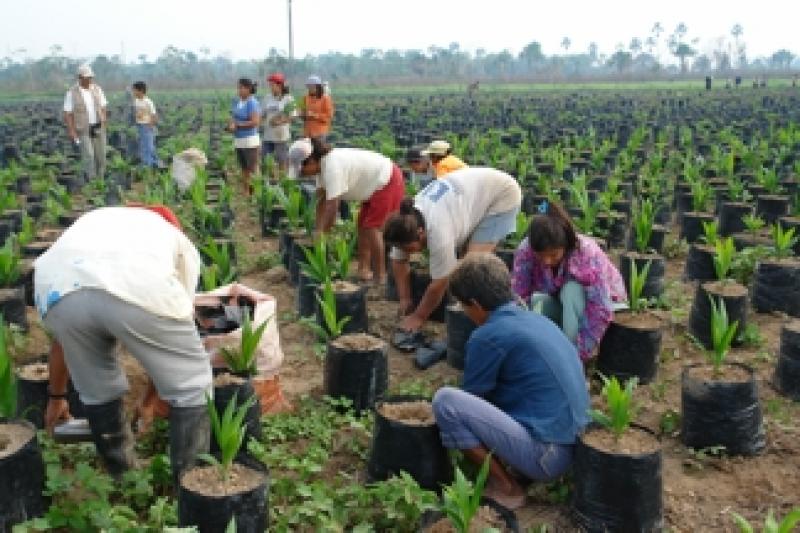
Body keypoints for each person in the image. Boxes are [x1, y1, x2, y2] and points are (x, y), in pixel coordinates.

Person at [36, 206, 211, 484]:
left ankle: (124, 479)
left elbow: (61, 342)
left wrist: (56, 397)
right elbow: (173, 322)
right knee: (191, 387)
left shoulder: (95, 222)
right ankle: (189, 487)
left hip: (57, 290)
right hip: (138, 284)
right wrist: (150, 401)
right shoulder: (175, 240)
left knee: (97, 391)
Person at [432, 253, 589, 510]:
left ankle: (507, 487)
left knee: (447, 402)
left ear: (476, 304)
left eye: (464, 306)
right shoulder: (539, 320)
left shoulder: (488, 336)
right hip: (577, 445)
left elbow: (471, 400)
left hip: (548, 456)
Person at [384, 167, 522, 332]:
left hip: (501, 195)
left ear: (421, 234)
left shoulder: (438, 231)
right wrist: (405, 299)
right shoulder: (407, 221)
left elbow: (441, 281)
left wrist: (418, 316)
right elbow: (398, 261)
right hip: (472, 197)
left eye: (408, 248)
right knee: (462, 266)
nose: (407, 253)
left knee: (471, 266)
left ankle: (502, 314)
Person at [511, 200, 627, 363]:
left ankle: (568, 356)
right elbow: (518, 296)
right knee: (535, 303)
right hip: (566, 305)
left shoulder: (586, 254)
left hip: (602, 307)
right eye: (541, 255)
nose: (547, 261)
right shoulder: (526, 251)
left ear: (565, 245)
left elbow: (601, 307)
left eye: (553, 255)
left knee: (571, 291)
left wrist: (578, 354)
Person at [287, 137, 404, 283]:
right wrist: (318, 230)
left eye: (303, 170)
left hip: (387, 180)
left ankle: (380, 277)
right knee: (362, 226)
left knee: (372, 228)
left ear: (311, 161)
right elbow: (321, 201)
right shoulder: (321, 168)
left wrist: (323, 235)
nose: (303, 174)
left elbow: (332, 208)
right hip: (371, 187)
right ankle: (363, 269)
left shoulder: (332, 167)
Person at [63, 64, 107, 180]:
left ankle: (100, 179)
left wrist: (103, 120)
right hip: (83, 128)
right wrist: (72, 131)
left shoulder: (97, 89)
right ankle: (91, 180)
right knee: (89, 155)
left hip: (97, 126)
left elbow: (103, 106)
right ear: (80, 78)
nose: (89, 80)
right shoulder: (72, 93)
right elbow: (68, 113)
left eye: (90, 78)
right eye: (87, 78)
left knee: (100, 156)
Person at [228, 78, 261, 194]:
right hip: (239, 140)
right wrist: (231, 124)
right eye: (238, 88)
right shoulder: (238, 102)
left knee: (251, 168)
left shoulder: (252, 102)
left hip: (250, 141)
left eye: (241, 88)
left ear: (248, 89)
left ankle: (254, 192)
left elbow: (255, 122)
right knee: (244, 167)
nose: (239, 90)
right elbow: (233, 116)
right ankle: (246, 190)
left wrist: (238, 125)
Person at [261, 72, 296, 177]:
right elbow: (262, 114)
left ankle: (282, 180)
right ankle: (270, 180)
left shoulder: (288, 99)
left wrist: (279, 122)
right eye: (270, 85)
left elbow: (292, 116)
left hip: (281, 135)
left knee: (282, 159)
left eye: (273, 85)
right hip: (268, 134)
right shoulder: (267, 98)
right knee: (265, 159)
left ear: (280, 85)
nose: (271, 87)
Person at [132, 81, 159, 168]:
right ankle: (146, 162)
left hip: (147, 125)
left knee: (149, 145)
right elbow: (136, 112)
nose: (133, 92)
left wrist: (150, 126)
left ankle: (150, 163)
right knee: (143, 145)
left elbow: (154, 115)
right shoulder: (136, 101)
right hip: (140, 125)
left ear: (141, 91)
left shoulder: (148, 101)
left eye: (135, 90)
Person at [301, 75, 334, 141]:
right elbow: (300, 110)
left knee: (318, 150)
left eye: (311, 87)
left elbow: (329, 116)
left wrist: (314, 115)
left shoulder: (326, 99)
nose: (309, 89)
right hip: (307, 132)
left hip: (320, 132)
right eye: (308, 87)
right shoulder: (304, 98)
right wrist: (302, 114)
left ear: (317, 87)